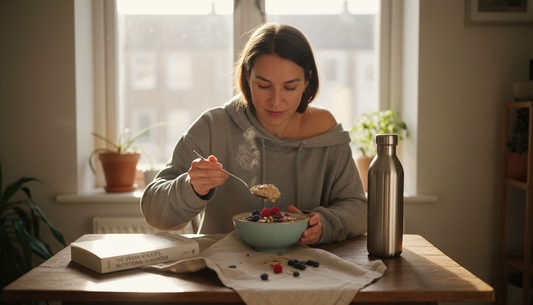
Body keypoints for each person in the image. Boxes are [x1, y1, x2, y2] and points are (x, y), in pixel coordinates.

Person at [141, 23, 367, 245]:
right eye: (264, 85)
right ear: (248, 76)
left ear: (307, 80)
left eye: (289, 87)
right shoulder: (213, 127)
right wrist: (191, 186)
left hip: (309, 273)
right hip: (222, 271)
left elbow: (358, 207)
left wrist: (326, 224)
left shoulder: (325, 132)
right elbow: (154, 212)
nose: (276, 101)